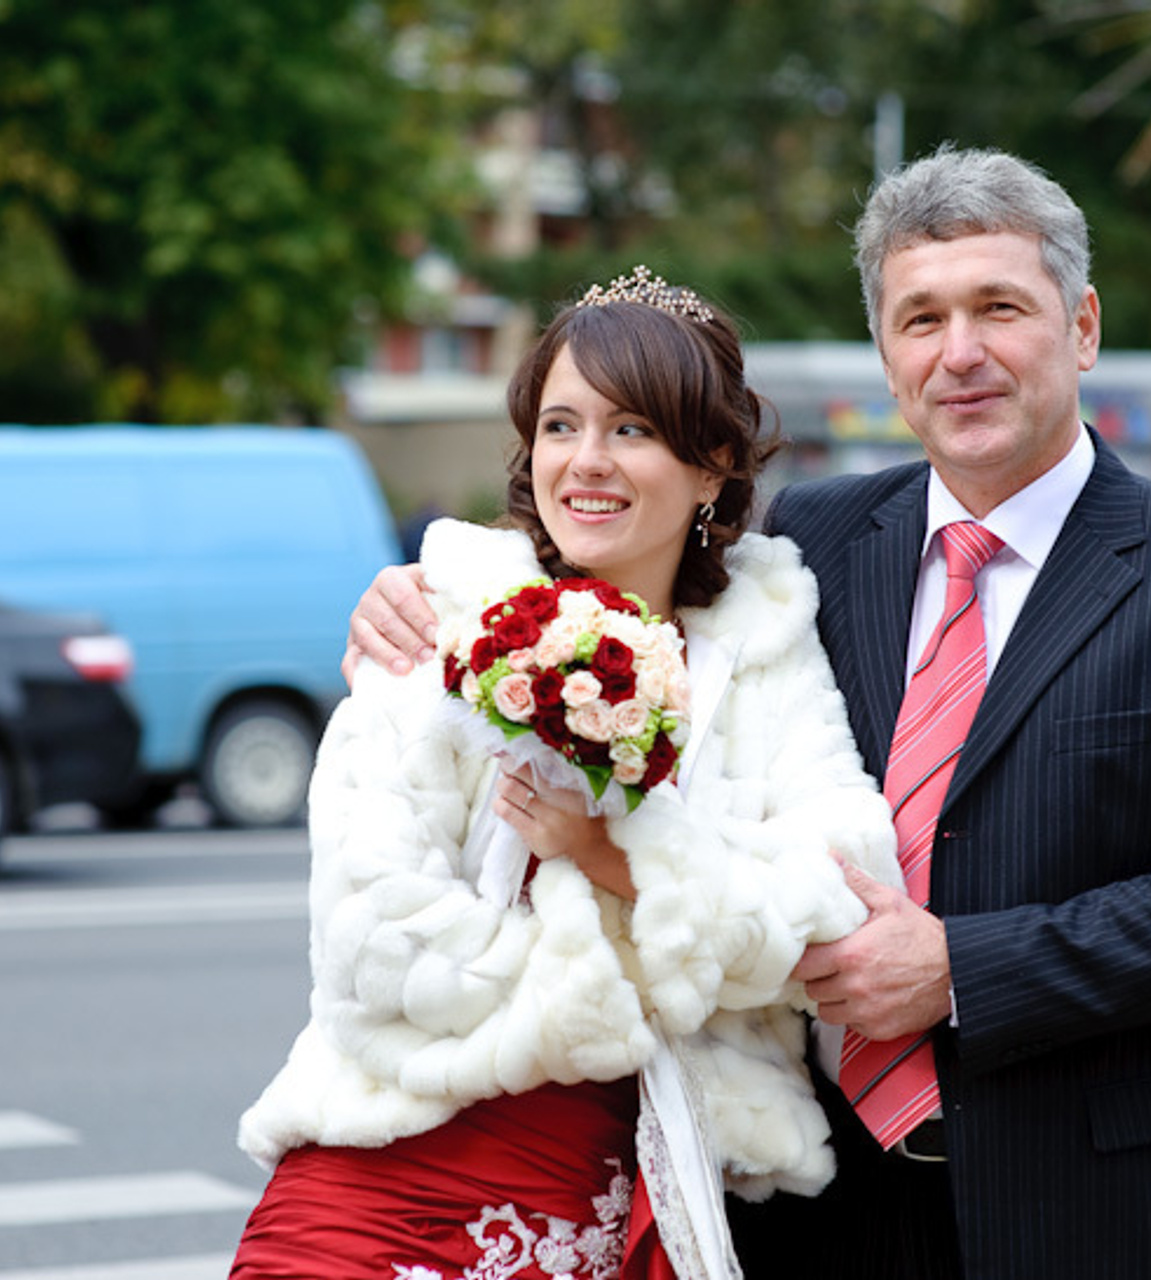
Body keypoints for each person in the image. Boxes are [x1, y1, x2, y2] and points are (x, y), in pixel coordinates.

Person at [343, 146, 1151, 1280]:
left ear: (1080, 328)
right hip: (815, 1201)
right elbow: (624, 550)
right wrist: (432, 594)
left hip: (1095, 1204)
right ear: (886, 354)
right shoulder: (813, 542)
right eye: (920, 318)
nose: (959, 352)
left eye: (999, 308)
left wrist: (965, 968)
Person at [231, 268, 902, 1280]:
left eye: (631, 428)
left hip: (626, 1181)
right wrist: (652, 982)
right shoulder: (438, 618)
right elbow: (371, 939)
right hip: (388, 1160)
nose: (586, 460)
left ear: (713, 463)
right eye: (559, 426)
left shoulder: (764, 651)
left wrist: (610, 852)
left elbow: (837, 897)